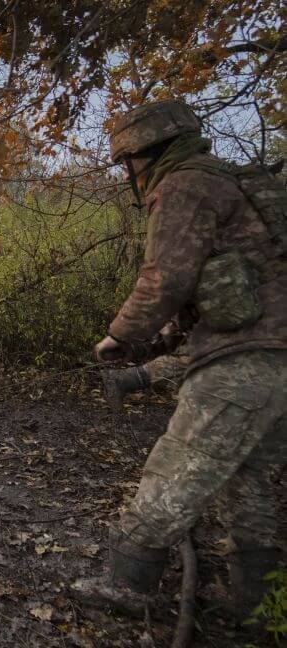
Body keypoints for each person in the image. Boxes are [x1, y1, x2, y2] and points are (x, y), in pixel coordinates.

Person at [73, 99, 287, 620]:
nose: (128, 174)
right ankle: (256, 605)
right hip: (277, 358)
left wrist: (119, 336)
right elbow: (216, 284)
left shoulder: (183, 186)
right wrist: (163, 340)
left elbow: (165, 278)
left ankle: (129, 583)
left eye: (128, 163)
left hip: (244, 364)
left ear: (145, 154)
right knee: (248, 481)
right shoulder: (239, 185)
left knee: (178, 467)